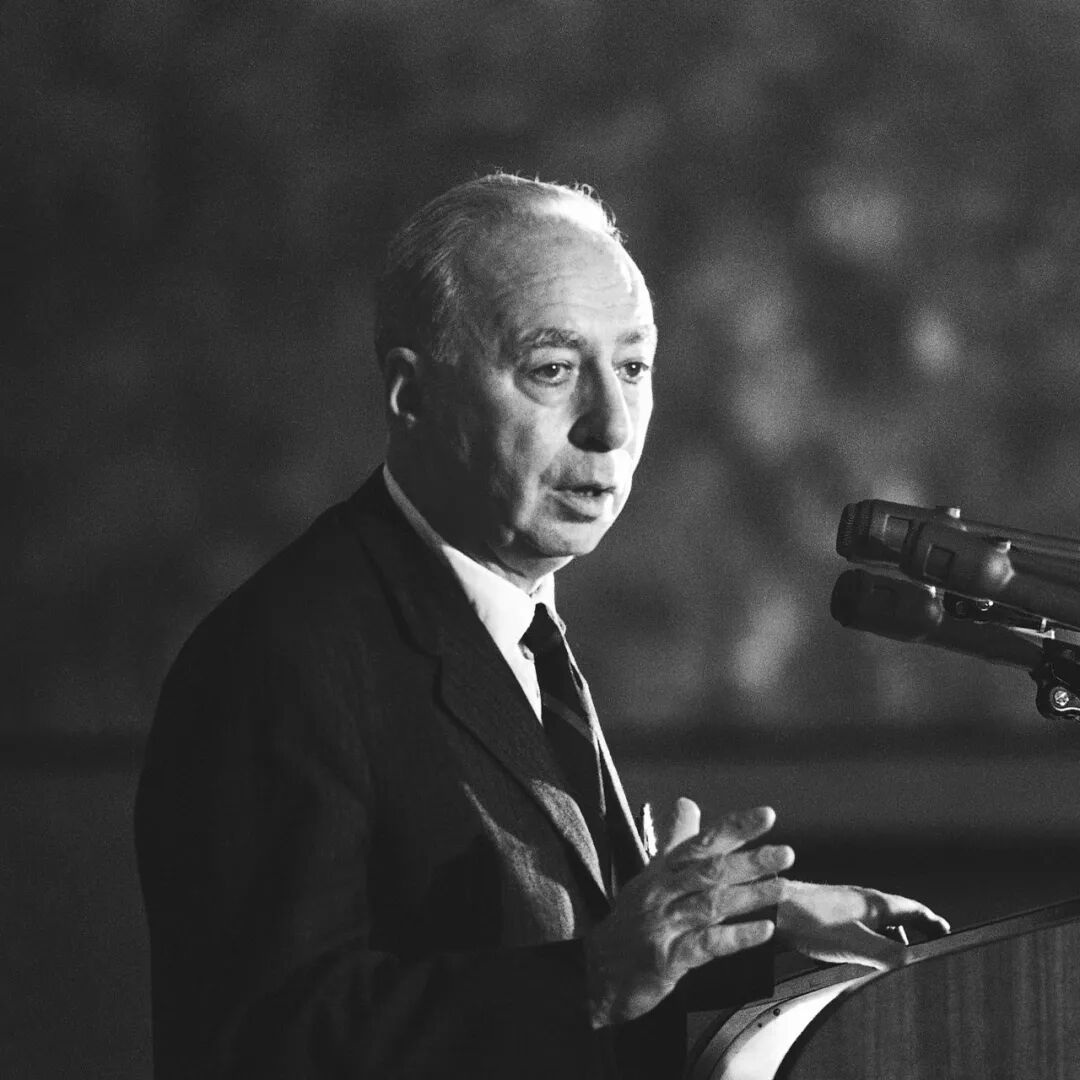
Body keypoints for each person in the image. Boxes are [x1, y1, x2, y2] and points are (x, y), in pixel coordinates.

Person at [135, 174, 948, 1079]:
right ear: (411, 393)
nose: (610, 425)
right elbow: (268, 1040)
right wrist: (596, 977)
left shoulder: (515, 620)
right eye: (552, 370)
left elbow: (527, 952)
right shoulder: (280, 658)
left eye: (632, 368)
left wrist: (740, 926)